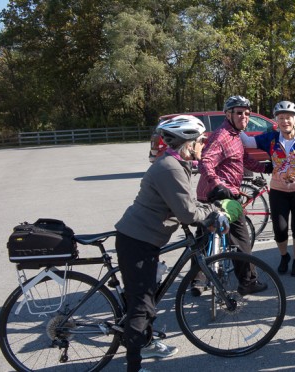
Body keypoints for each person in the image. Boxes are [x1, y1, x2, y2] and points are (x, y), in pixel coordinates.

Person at [115, 115, 232, 372]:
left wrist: (211, 204)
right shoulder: (170, 167)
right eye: (201, 140)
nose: (204, 144)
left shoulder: (176, 164)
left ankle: (146, 343)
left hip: (145, 239)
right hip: (138, 241)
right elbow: (187, 214)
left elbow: (184, 203)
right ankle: (133, 366)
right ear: (188, 143)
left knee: (148, 298)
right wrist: (213, 213)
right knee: (141, 306)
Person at [194, 95, 270, 295]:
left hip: (209, 193)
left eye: (247, 113)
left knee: (203, 240)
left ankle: (198, 281)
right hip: (222, 195)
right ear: (228, 115)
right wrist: (218, 183)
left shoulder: (235, 136)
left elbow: (244, 159)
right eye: (239, 113)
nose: (244, 116)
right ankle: (248, 282)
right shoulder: (222, 136)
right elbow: (205, 162)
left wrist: (265, 167)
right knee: (241, 239)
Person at [240, 100, 295, 276]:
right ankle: (284, 256)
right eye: (281, 118)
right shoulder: (270, 138)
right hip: (279, 191)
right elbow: (247, 141)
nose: (285, 121)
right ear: (276, 120)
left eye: (289, 118)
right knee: (280, 227)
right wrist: (238, 122)